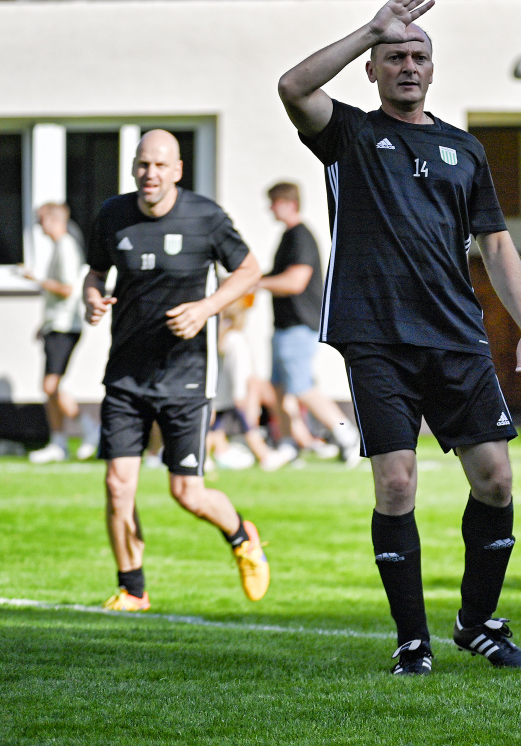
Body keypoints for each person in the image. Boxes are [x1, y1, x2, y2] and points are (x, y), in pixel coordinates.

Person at [278, 0, 521, 676]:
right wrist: (370, 29)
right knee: (396, 485)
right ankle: (412, 641)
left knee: (495, 480)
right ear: (372, 68)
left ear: (432, 70)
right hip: (375, 337)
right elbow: (293, 86)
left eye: (418, 57)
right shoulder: (348, 135)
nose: (407, 66)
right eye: (394, 56)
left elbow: (496, 244)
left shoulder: (465, 149)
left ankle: (477, 623)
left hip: (457, 336)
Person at [83, 129, 270, 612]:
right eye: (143, 164)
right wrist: (92, 298)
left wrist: (206, 308)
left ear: (178, 170)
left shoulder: (205, 217)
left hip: (186, 375)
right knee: (117, 485)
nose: (151, 174)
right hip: (125, 374)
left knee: (186, 492)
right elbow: (95, 272)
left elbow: (249, 270)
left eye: (161, 165)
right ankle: (133, 589)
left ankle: (241, 535)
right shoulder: (112, 215)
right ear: (134, 168)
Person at [258, 181, 360, 465]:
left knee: (302, 387)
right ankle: (288, 444)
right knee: (279, 389)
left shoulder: (301, 236)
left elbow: (295, 281)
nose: (270, 208)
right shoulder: (288, 236)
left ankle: (346, 434)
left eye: (274, 202)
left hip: (299, 325)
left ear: (289, 204)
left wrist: (255, 283)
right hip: (284, 326)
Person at [23, 202, 99, 463]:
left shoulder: (66, 246)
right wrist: (43, 324)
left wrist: (36, 280)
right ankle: (60, 441)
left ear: (53, 220)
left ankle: (87, 429)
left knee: (50, 385)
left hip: (65, 326)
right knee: (50, 387)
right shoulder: (60, 246)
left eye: (40, 220)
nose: (38, 226)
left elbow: (67, 289)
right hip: (55, 325)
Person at [209, 298, 290, 472]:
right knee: (249, 427)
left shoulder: (223, 339)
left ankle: (203, 457)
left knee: (214, 428)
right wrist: (241, 394)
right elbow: (239, 370)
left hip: (222, 395)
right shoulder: (236, 340)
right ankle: (265, 456)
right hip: (235, 395)